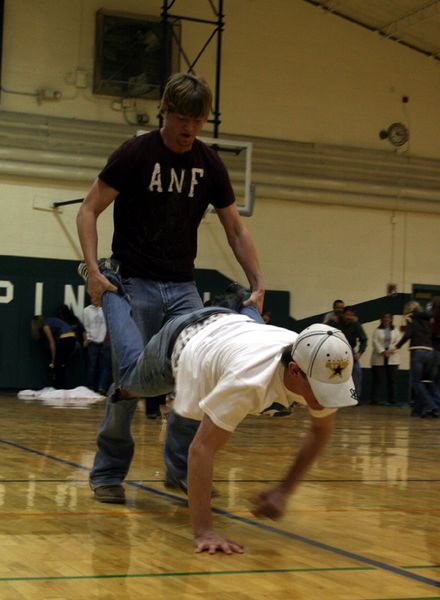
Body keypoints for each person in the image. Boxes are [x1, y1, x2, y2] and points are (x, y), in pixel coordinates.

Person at [80, 260, 358, 554]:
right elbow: (201, 449)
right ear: (293, 371)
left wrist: (284, 490)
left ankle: (240, 299)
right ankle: (109, 284)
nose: (328, 400)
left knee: (202, 402)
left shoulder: (319, 360)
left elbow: (320, 431)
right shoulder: (247, 382)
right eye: (322, 391)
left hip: (233, 326)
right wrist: (205, 531)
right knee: (126, 383)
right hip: (182, 339)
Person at [76, 72, 265, 504]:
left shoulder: (209, 163)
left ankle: (180, 472)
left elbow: (235, 228)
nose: (189, 129)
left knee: (193, 380)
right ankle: (107, 473)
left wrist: (258, 283)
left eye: (197, 122)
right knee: (130, 381)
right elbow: (88, 210)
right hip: (132, 284)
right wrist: (93, 271)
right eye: (182, 118)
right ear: (165, 111)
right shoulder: (135, 154)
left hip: (183, 288)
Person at [394, 301, 440, 418]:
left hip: (418, 351)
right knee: (427, 383)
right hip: (430, 352)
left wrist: (396, 347)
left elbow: (409, 333)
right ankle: (417, 411)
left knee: (416, 382)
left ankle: (432, 406)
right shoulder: (427, 319)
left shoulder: (410, 317)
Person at [31, 315, 77, 389]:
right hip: (72, 338)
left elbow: (51, 342)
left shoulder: (45, 325)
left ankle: (58, 387)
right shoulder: (51, 320)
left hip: (65, 338)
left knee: (57, 365)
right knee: (62, 364)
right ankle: (63, 387)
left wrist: (53, 359)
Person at [337, 306, 368, 401]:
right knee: (336, 375)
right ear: (343, 315)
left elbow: (364, 339)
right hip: (336, 352)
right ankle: (337, 398)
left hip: (350, 352)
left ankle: (355, 398)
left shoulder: (356, 325)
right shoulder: (336, 323)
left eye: (351, 315)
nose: (349, 317)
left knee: (357, 373)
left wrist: (359, 353)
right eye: (347, 314)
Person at [370, 313, 400, 405]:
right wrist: (383, 352)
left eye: (388, 317)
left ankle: (392, 400)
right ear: (381, 319)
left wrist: (390, 351)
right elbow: (375, 342)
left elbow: (398, 342)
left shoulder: (395, 330)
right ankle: (375, 399)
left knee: (392, 380)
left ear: (391, 319)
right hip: (379, 356)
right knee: (377, 380)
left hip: (392, 357)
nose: (386, 319)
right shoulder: (377, 330)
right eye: (384, 317)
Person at [83, 302, 112, 395]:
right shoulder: (86, 310)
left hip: (104, 341)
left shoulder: (104, 309)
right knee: (92, 366)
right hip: (92, 341)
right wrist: (87, 338)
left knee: (103, 366)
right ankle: (90, 388)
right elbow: (85, 326)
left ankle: (100, 388)